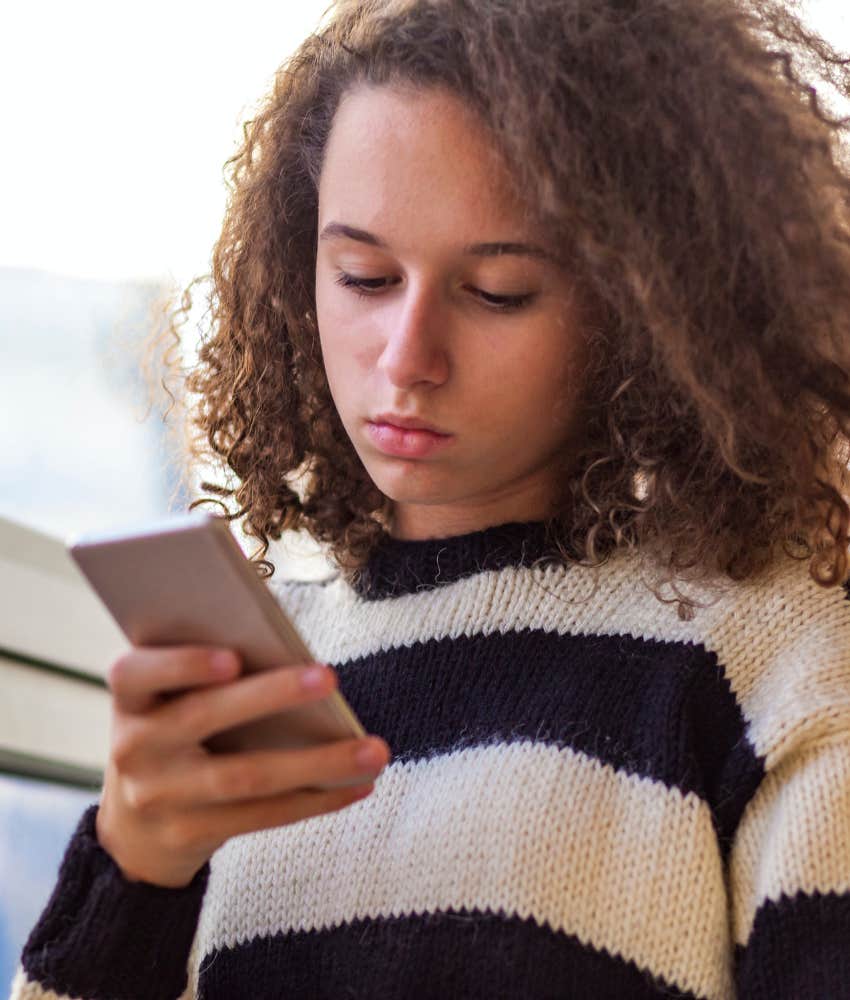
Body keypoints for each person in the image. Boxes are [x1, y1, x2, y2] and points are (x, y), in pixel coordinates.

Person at [11, 0, 850, 997]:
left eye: (496, 290)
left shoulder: (772, 661)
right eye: (364, 276)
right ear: (296, 266)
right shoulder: (268, 680)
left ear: (646, 304)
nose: (406, 359)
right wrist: (132, 872)